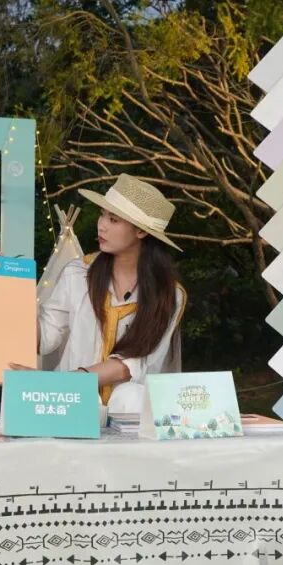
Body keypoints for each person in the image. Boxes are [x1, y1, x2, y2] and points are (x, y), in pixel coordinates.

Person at [23, 174, 187, 413]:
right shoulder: (78, 273)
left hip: (130, 414)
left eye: (113, 219)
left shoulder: (169, 294)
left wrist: (66, 381)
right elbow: (47, 335)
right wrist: (13, 298)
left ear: (141, 232)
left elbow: (134, 364)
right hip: (71, 405)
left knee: (129, 395)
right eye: (102, 214)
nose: (101, 225)